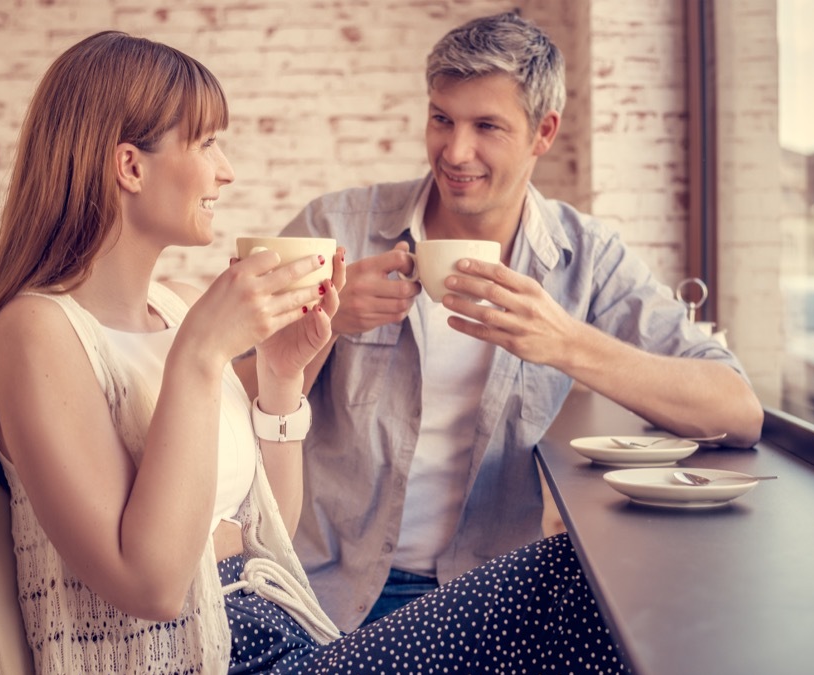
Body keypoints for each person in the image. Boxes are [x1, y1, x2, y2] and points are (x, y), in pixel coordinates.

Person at [0, 30, 628, 675]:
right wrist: (202, 357)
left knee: (590, 578)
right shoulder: (37, 330)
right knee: (571, 581)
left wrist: (281, 377)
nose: (226, 171)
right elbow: (150, 583)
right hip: (204, 656)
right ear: (130, 166)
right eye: (206, 143)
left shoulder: (177, 303)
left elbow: (277, 526)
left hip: (286, 629)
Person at [282, 11, 766, 630]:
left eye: (487, 126)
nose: (456, 152)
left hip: (492, 595)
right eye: (442, 119)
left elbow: (737, 409)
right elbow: (233, 401)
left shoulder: (587, 257)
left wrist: (567, 343)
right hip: (323, 586)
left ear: (544, 133)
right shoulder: (334, 229)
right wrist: (321, 328)